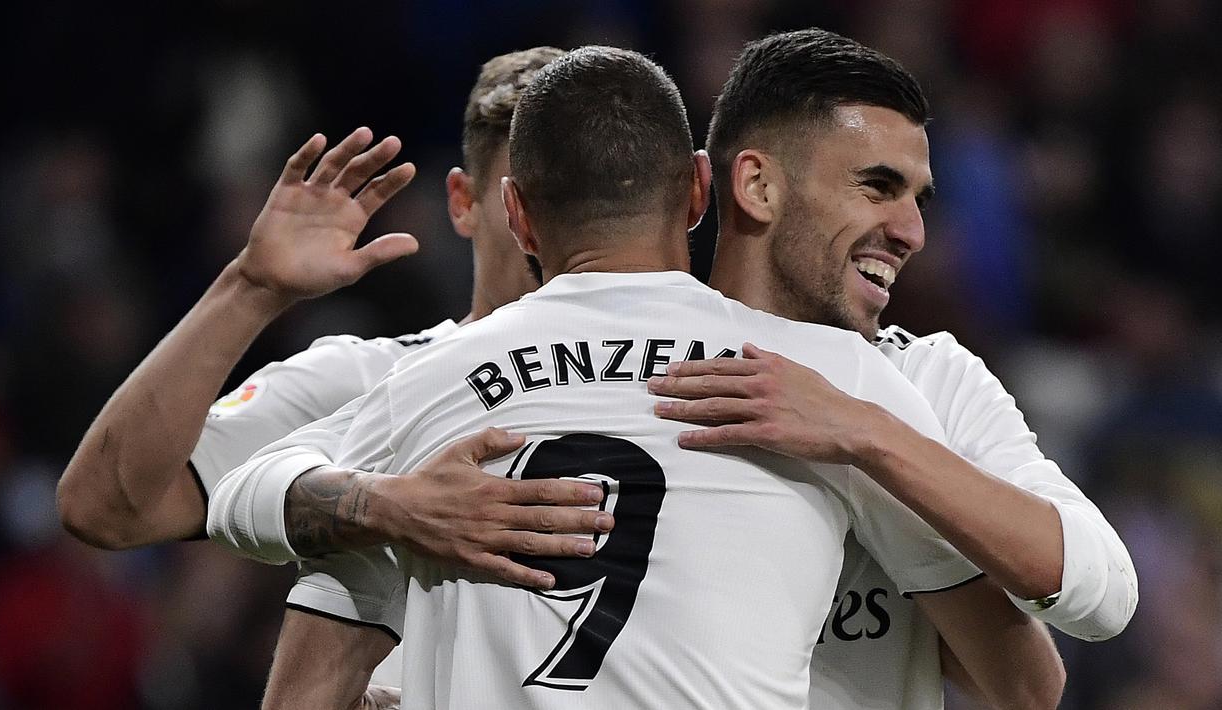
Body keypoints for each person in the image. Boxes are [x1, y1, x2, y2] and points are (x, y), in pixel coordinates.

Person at [210, 45, 1061, 709]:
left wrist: (386, 507)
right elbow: (1027, 677)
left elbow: (241, 497)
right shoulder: (829, 378)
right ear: (699, 191)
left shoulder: (432, 381)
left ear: (514, 212)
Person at [644, 28, 1135, 708]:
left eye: (917, 199)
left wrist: (868, 433)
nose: (911, 232)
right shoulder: (632, 367)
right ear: (757, 186)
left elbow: (1101, 595)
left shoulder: (929, 379)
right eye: (877, 187)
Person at [56, 47, 610, 590]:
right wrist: (250, 288)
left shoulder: (692, 385)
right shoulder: (361, 383)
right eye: (537, 196)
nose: (566, 227)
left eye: (593, 197)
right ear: (464, 201)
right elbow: (105, 507)